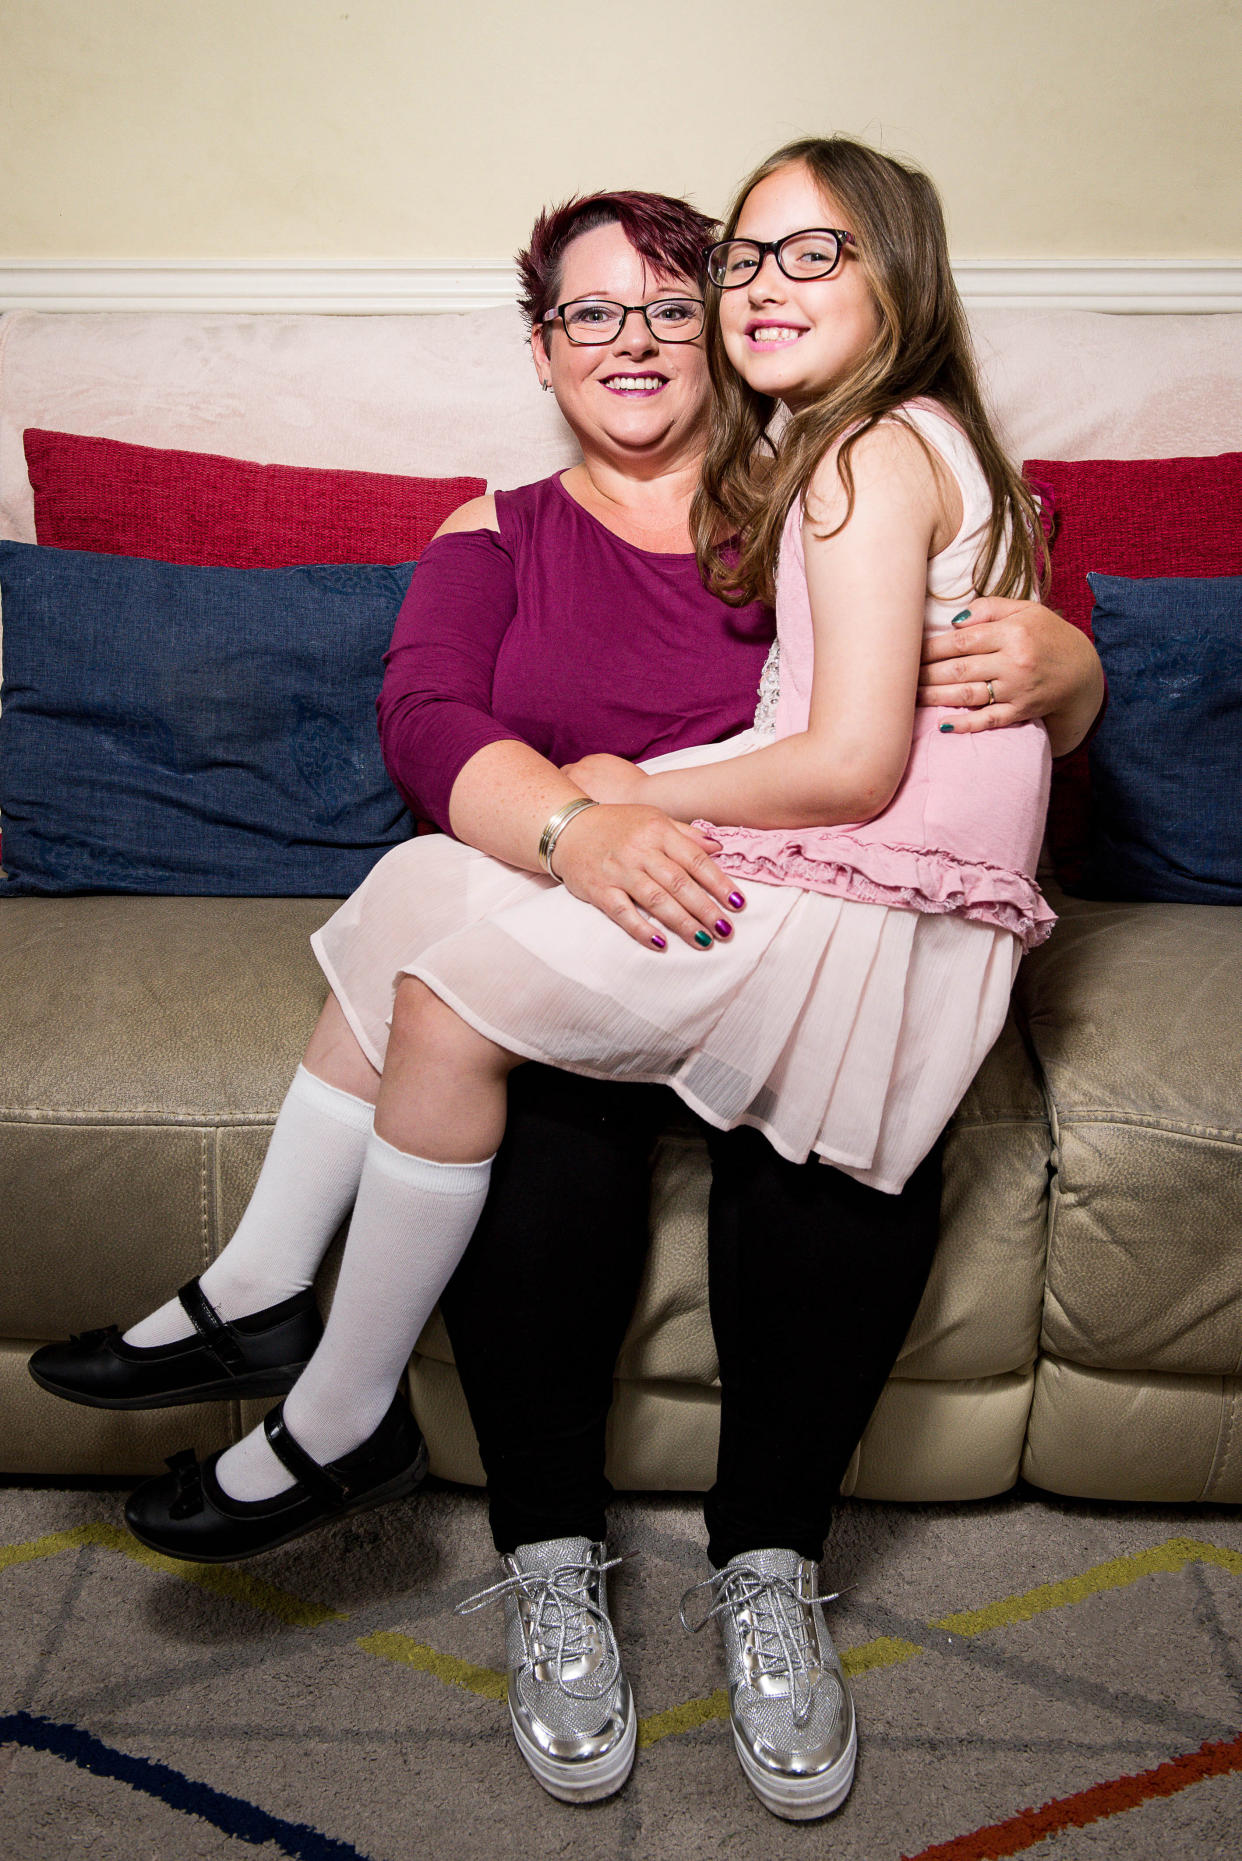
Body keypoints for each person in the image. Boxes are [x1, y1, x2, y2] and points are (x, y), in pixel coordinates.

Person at [30, 161, 1103, 1820]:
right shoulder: (498, 528)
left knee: (820, 1183)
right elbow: (428, 725)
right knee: (463, 998)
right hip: (630, 885)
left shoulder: (823, 468)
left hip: (798, 899)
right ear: (539, 348)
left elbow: (970, 658)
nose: (635, 336)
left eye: (670, 303)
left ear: (729, 331)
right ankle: (509, 1519)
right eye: (589, 311)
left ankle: (761, 1568)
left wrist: (1075, 665)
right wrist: (570, 820)